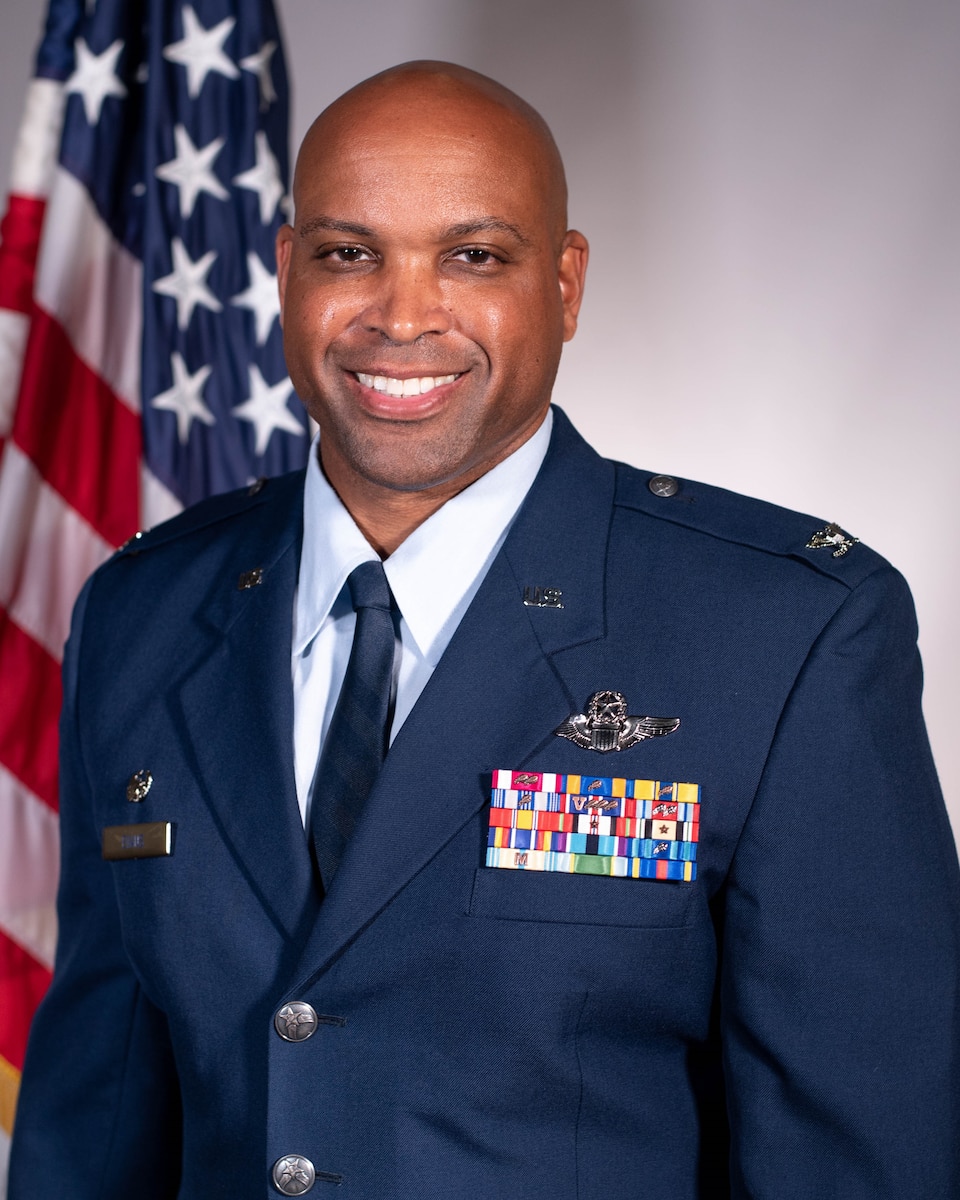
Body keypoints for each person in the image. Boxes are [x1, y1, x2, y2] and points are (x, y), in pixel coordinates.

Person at [9, 61, 959, 1200]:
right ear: (283, 270)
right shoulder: (145, 611)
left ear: (564, 286)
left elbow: (862, 1160)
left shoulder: (783, 634)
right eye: (348, 253)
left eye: (474, 256)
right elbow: (93, 1122)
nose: (402, 316)